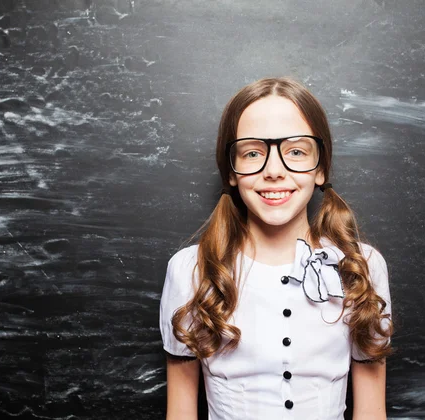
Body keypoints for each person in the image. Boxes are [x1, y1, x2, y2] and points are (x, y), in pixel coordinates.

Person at [159, 77, 393, 420]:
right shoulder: (190, 270)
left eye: (295, 151)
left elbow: (371, 412)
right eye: (253, 152)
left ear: (321, 167)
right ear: (231, 171)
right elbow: (180, 412)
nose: (274, 171)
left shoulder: (362, 266)